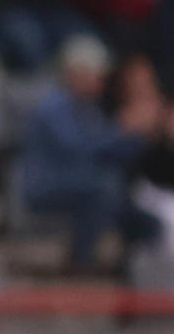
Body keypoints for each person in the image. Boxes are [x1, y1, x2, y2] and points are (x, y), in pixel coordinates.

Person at [17, 36, 158, 272]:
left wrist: (145, 133)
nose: (101, 82)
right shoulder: (52, 107)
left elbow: (112, 153)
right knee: (108, 185)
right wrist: (122, 129)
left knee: (146, 220)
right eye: (96, 75)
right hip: (48, 186)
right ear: (75, 73)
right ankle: (79, 261)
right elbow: (81, 148)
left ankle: (133, 269)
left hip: (83, 184)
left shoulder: (88, 108)